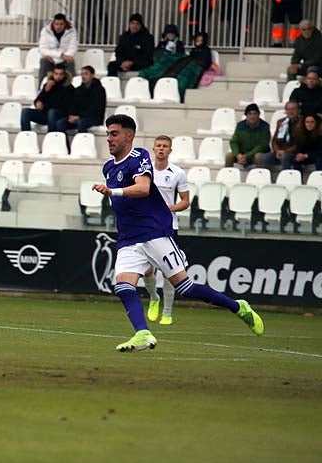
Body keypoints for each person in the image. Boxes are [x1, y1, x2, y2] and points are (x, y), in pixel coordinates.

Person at [91, 114, 263, 352]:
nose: (108, 138)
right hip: (129, 239)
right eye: (107, 133)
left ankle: (238, 307)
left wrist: (113, 192)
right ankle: (142, 333)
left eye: (114, 133)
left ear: (129, 136)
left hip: (154, 233)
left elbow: (143, 188)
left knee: (185, 287)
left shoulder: (138, 156)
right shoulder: (109, 167)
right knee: (123, 286)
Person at [139, 135, 191, 327]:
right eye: (158, 146)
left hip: (168, 226)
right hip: (145, 225)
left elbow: (185, 201)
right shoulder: (145, 171)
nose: (161, 149)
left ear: (170, 150)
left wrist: (169, 208)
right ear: (153, 149)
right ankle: (154, 297)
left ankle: (168, 312)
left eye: (165, 146)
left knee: (171, 271)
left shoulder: (177, 173)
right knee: (147, 269)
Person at [53, 65, 105, 135]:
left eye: (86, 74)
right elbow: (73, 105)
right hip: (79, 117)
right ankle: (65, 145)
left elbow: (96, 108)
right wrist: (71, 115)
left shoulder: (99, 90)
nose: (83, 76)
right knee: (60, 123)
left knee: (81, 123)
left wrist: (79, 117)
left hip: (94, 117)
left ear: (92, 75)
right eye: (82, 74)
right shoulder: (78, 90)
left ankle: (82, 145)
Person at [21, 63, 73, 132]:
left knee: (51, 112)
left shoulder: (69, 88)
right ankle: (26, 136)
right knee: (25, 112)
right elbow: (38, 100)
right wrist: (44, 93)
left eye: (60, 74)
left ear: (64, 75)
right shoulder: (48, 85)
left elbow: (67, 106)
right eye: (56, 74)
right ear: (53, 74)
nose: (58, 76)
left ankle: (51, 137)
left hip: (60, 115)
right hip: (45, 114)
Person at [225, 103, 271, 168]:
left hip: (255, 154)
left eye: (255, 113)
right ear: (246, 115)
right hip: (242, 154)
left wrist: (246, 156)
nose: (252, 116)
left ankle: (259, 177)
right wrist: (238, 155)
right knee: (229, 156)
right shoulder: (240, 126)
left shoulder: (265, 126)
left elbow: (263, 145)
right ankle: (227, 177)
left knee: (259, 157)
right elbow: (234, 142)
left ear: (259, 115)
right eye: (250, 114)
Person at [259, 101, 300, 170]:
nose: (291, 111)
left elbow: (299, 143)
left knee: (285, 157)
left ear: (298, 110)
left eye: (293, 109)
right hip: (280, 151)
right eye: (288, 109)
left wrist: (285, 152)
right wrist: (277, 150)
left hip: (293, 152)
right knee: (265, 157)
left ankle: (285, 177)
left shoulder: (302, 123)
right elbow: (274, 140)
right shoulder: (281, 122)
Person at [38, 12, 78, 82]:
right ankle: (41, 88)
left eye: (61, 24)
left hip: (65, 59)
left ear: (65, 24)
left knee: (71, 61)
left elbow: (73, 48)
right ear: (53, 23)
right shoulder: (45, 30)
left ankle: (71, 88)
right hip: (51, 59)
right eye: (56, 24)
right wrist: (60, 55)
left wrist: (65, 57)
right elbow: (42, 49)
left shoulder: (71, 30)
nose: (59, 26)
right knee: (44, 61)